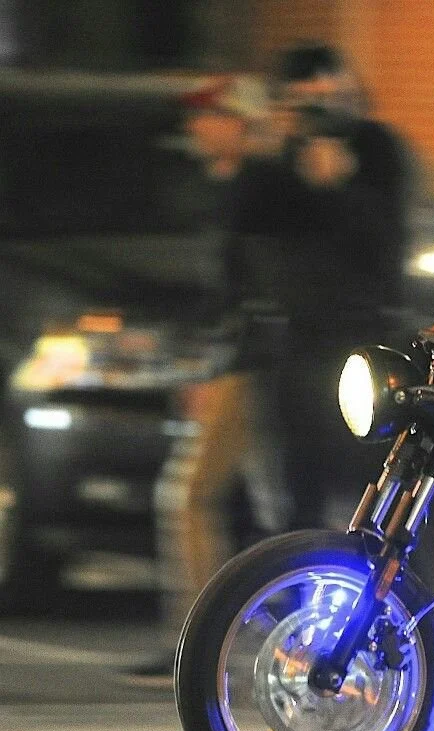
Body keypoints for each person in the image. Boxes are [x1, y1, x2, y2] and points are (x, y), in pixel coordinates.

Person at [132, 74, 293, 684]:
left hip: (255, 362)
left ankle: (200, 645)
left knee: (191, 494)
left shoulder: (260, 187)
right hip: (245, 359)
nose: (195, 128)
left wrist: (219, 366)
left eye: (210, 115)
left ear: (240, 124)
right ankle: (223, 639)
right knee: (266, 505)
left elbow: (255, 294)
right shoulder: (231, 185)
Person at [266, 41, 415, 528]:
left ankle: (379, 571)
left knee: (372, 490)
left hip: (362, 342)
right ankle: (302, 571)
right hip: (296, 348)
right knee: (298, 495)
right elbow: (253, 236)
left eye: (324, 96)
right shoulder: (279, 160)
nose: (315, 111)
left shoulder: (375, 148)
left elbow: (388, 243)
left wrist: (341, 185)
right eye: (302, 100)